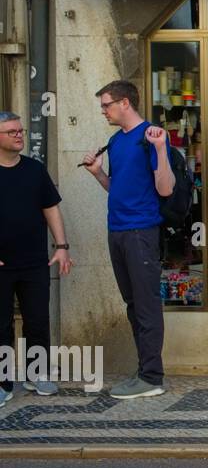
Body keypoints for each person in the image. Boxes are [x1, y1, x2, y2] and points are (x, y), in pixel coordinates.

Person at [82, 80, 175, 399]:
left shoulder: (151, 137)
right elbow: (117, 188)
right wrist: (97, 173)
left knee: (147, 305)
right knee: (133, 305)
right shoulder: (115, 141)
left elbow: (165, 189)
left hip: (141, 232)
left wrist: (162, 150)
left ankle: (152, 377)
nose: (103, 111)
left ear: (125, 103)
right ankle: (144, 370)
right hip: (117, 231)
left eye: (106, 105)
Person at [0, 112, 73, 406]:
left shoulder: (34, 170)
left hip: (34, 262)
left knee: (38, 322)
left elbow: (51, 208)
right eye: (12, 132)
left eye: (21, 130)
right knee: (0, 326)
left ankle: (37, 373)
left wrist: (62, 246)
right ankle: (3, 383)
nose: (19, 135)